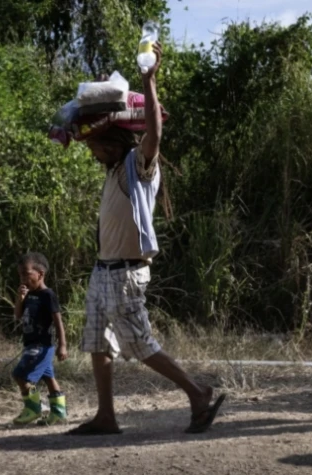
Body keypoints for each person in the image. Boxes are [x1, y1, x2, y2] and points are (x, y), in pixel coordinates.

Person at [66, 41, 225, 436]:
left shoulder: (138, 166)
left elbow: (154, 129)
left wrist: (148, 80)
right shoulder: (111, 171)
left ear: (111, 142)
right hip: (104, 270)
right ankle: (106, 417)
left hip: (125, 274)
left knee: (139, 345)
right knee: (98, 344)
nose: (91, 152)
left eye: (94, 146)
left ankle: (197, 392)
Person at [12, 252, 69, 426]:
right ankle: (59, 413)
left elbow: (58, 320)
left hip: (42, 345)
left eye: (26, 274)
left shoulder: (48, 295)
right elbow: (18, 316)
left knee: (20, 375)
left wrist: (62, 345)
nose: (23, 278)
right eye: (20, 274)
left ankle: (33, 408)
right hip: (30, 343)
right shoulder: (28, 294)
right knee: (48, 378)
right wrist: (19, 299)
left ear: (40, 274)